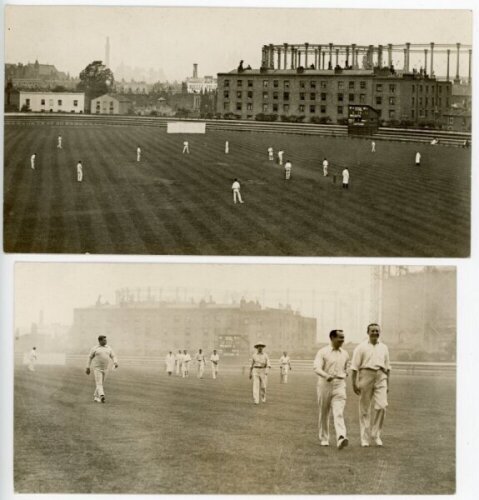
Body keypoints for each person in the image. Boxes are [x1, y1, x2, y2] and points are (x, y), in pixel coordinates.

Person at [350, 323, 391, 447]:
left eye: (377, 331)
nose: (375, 333)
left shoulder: (384, 347)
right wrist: (354, 384)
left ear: (380, 332)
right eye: (372, 331)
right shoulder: (360, 347)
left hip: (381, 376)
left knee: (382, 406)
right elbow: (354, 368)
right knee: (364, 409)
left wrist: (387, 384)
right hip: (366, 375)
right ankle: (365, 439)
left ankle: (376, 434)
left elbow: (388, 367)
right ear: (367, 332)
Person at [313, 330, 350, 449]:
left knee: (338, 412)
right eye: (340, 338)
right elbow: (316, 368)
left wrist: (345, 374)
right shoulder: (322, 352)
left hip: (340, 385)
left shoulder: (345, 353)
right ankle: (324, 438)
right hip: (325, 385)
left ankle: (341, 437)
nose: (342, 340)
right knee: (324, 412)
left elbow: (346, 368)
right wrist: (326, 375)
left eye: (343, 338)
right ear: (332, 338)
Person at [85, 335, 118, 403]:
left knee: (101, 383)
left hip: (106, 369)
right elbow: (90, 358)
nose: (106, 341)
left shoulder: (108, 348)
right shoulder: (95, 348)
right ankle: (102, 396)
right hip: (97, 369)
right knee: (99, 383)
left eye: (106, 340)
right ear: (100, 341)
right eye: (104, 340)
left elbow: (113, 356)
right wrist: (87, 367)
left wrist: (115, 362)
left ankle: (96, 397)